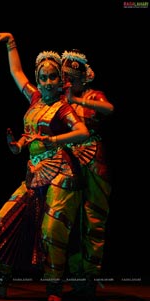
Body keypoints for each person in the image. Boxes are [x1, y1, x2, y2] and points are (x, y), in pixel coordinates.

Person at [0, 33, 90, 301]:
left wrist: (52, 140)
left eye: (53, 77)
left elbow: (82, 131)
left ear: (61, 80)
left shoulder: (63, 109)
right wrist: (11, 42)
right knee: (2, 221)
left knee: (52, 232)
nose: (48, 82)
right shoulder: (35, 99)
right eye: (43, 77)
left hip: (61, 175)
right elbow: (16, 71)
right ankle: (0, 283)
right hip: (34, 174)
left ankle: (53, 290)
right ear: (38, 80)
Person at [61, 49, 114, 299]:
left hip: (95, 164)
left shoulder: (93, 96)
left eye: (74, 78)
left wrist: (79, 101)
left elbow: (109, 109)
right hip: (68, 162)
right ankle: (76, 279)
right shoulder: (60, 100)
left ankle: (90, 278)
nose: (70, 82)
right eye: (67, 78)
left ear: (85, 78)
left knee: (93, 220)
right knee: (69, 220)